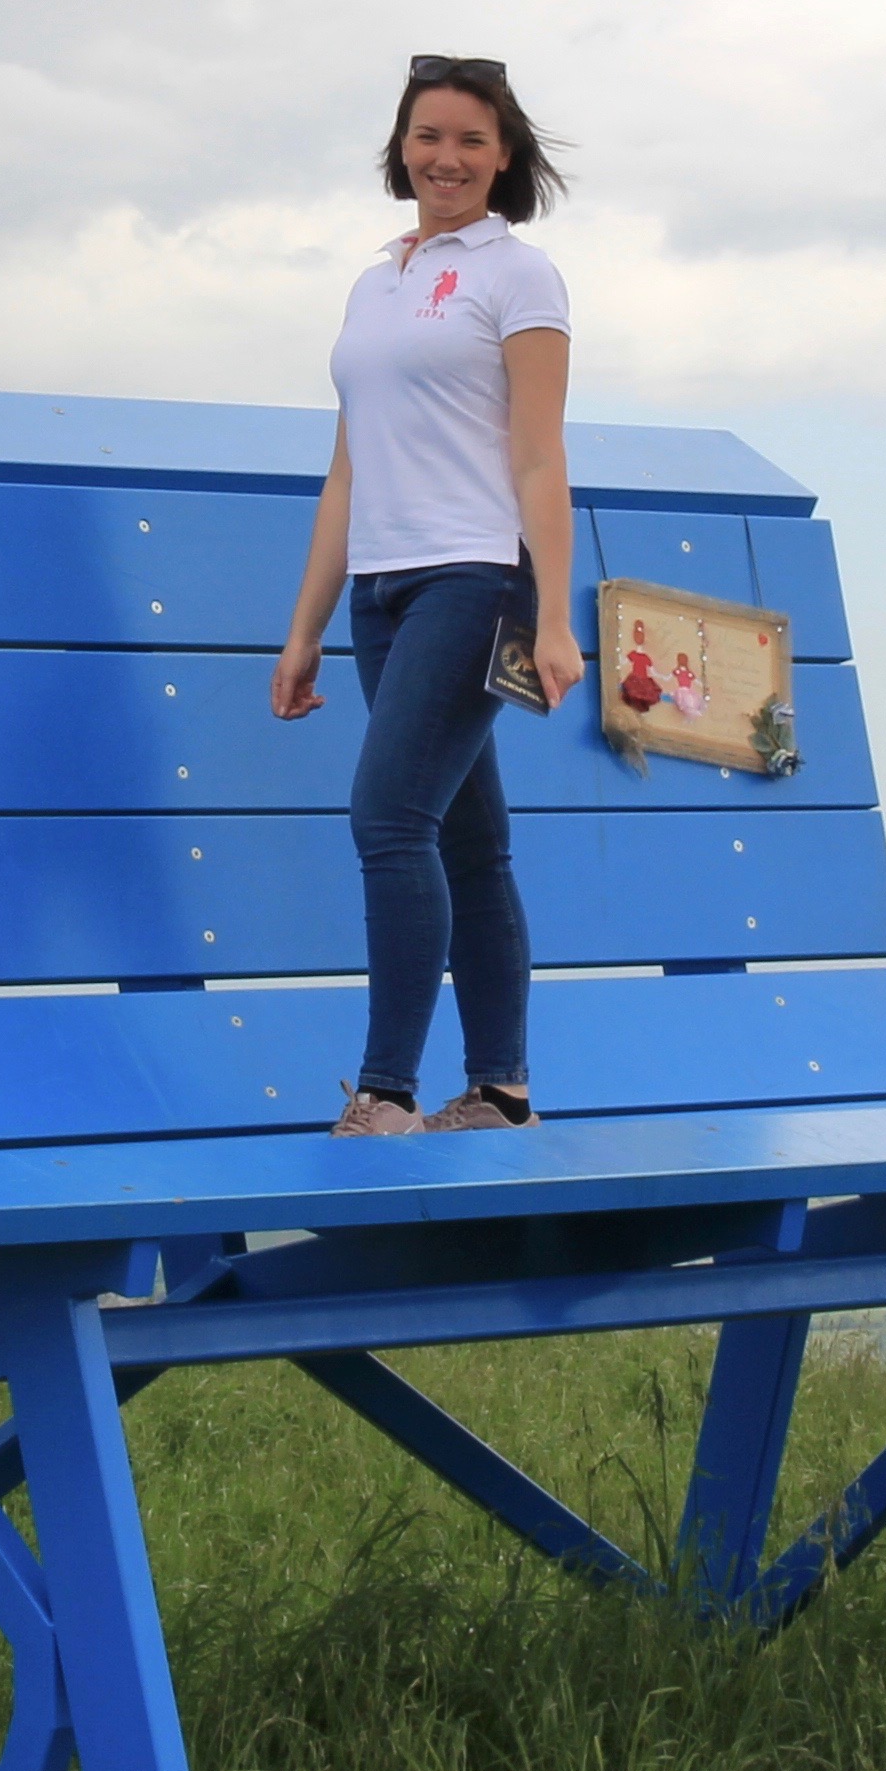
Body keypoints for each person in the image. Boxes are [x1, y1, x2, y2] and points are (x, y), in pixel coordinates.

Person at [272, 56, 583, 1134]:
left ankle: (386, 1092)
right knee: (465, 841)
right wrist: (304, 629)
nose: (445, 157)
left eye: (469, 141)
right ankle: (500, 1090)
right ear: (400, 148)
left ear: (504, 159)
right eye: (427, 136)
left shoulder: (519, 277)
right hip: (379, 592)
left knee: (388, 816)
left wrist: (552, 614)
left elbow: (540, 458)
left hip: (477, 574)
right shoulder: (375, 284)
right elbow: (347, 473)